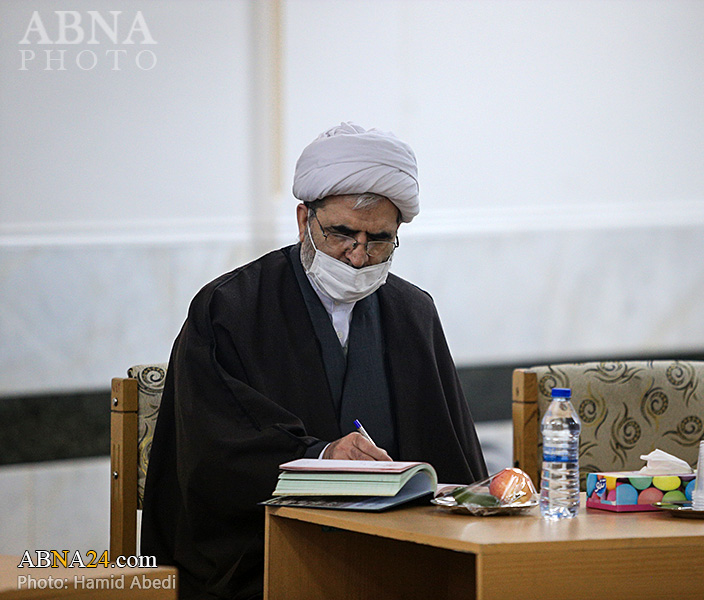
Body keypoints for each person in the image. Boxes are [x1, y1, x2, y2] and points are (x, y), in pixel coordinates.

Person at [141, 123, 488, 600]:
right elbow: (214, 454)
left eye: (379, 239)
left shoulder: (413, 313)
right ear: (304, 219)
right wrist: (322, 458)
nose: (358, 257)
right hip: (263, 554)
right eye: (343, 233)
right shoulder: (230, 309)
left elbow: (450, 453)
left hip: (399, 554)